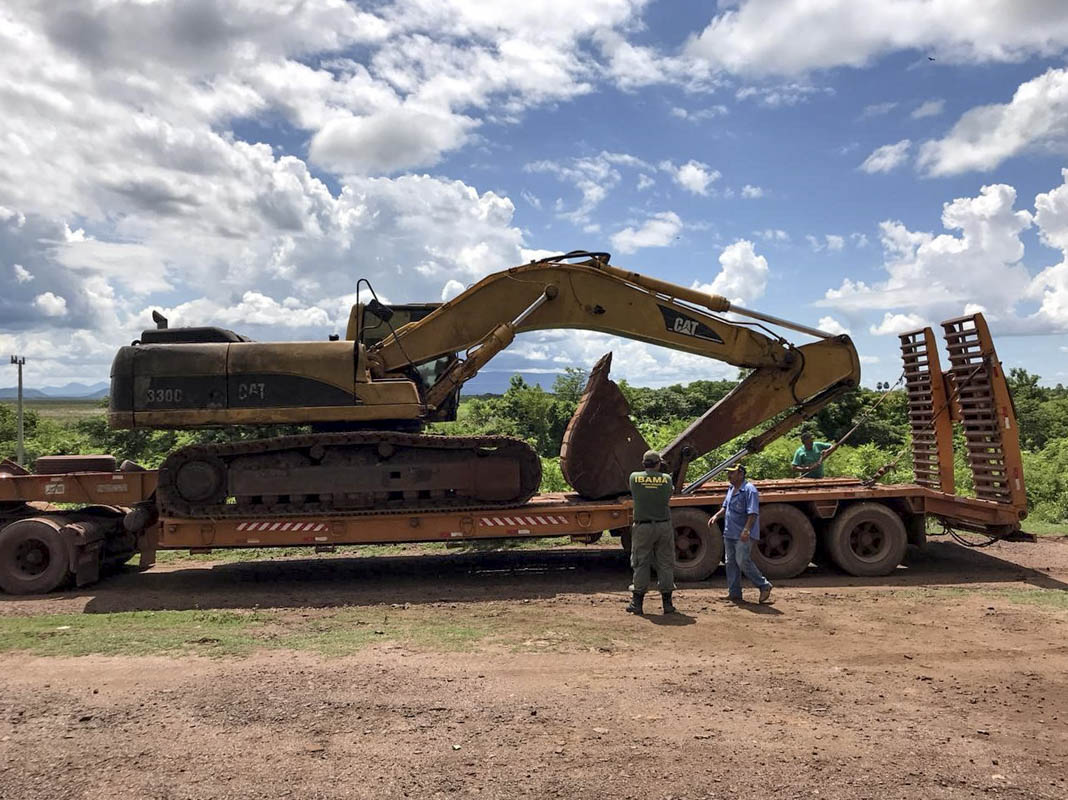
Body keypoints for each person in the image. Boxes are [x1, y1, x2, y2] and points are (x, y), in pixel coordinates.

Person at [709, 464, 772, 604]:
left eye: (732, 473)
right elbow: (726, 507)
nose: (729, 475)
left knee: (742, 560)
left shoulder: (750, 490)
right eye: (728, 473)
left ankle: (764, 585)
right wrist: (716, 516)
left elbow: (753, 512)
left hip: (742, 533)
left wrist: (747, 530)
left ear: (741, 474)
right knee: (730, 562)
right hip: (730, 532)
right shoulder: (731, 488)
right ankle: (734, 593)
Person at [626, 449, 676, 616]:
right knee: (665, 563)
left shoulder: (634, 478)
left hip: (643, 527)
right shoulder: (667, 479)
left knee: (641, 562)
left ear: (643, 464)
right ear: (658, 464)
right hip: (663, 526)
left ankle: (637, 603)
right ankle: (668, 604)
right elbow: (671, 492)